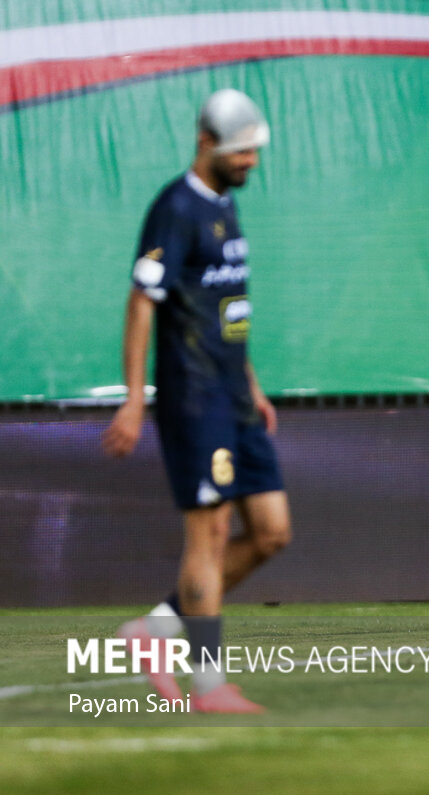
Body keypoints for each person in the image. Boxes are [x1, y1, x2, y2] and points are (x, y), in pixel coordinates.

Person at [102, 89, 289, 714]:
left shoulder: (226, 208)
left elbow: (226, 309)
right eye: (241, 152)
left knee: (270, 532)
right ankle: (208, 686)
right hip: (193, 399)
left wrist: (254, 385)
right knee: (208, 534)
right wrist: (134, 398)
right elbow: (140, 303)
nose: (250, 163)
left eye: (254, 152)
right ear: (206, 142)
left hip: (236, 398)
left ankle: (154, 630)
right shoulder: (174, 209)